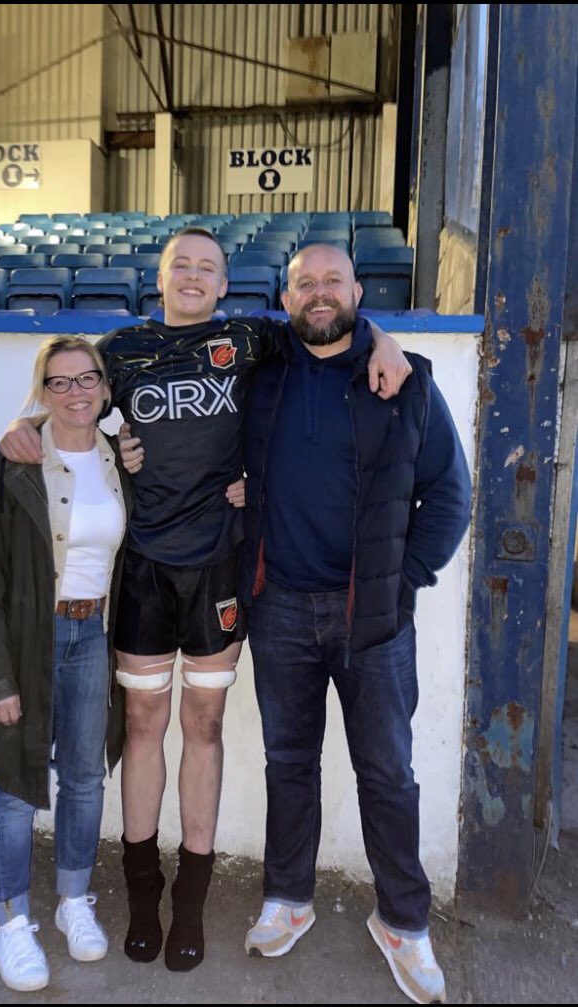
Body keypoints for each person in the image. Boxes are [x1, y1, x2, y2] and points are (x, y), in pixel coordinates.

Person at [0, 227, 412, 972]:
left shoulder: (252, 338)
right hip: (146, 570)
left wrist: (386, 341)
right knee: (146, 722)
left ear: (227, 285)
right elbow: (66, 399)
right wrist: (21, 426)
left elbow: (329, 322)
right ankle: (144, 893)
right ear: (157, 278)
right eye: (180, 265)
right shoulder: (119, 352)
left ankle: (190, 900)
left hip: (220, 567)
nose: (193, 276)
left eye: (207, 268)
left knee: (206, 722)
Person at [239, 243, 472, 1005]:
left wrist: (399, 582)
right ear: (284, 294)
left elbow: (449, 494)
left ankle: (404, 919)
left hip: (369, 617)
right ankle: (287, 896)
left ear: (357, 291)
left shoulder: (403, 381)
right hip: (278, 609)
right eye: (303, 281)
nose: (318, 292)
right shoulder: (261, 371)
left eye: (331, 280)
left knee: (388, 774)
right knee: (289, 762)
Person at [0, 336, 132, 992]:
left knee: (85, 777)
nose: (76, 392)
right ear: (42, 392)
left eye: (87, 378)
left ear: (104, 386)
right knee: (15, 780)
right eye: (58, 383)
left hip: (93, 637)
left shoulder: (123, 459)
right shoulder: (12, 468)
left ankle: (73, 900)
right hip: (29, 637)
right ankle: (9, 918)